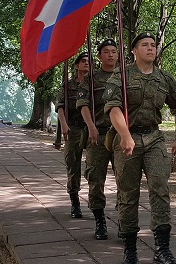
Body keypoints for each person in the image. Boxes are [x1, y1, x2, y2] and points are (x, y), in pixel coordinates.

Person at [103, 32, 176, 264]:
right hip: (126, 141)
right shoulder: (121, 75)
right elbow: (113, 108)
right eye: (144, 45)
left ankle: (162, 249)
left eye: (153, 45)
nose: (150, 48)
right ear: (134, 50)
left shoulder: (164, 79)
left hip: (153, 139)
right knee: (128, 195)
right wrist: (125, 135)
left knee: (160, 189)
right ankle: (130, 249)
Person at [76, 39, 118, 240]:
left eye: (113, 51)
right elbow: (83, 104)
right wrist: (91, 127)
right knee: (95, 178)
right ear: (99, 56)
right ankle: (100, 221)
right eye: (106, 52)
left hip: (120, 136)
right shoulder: (91, 79)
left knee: (126, 179)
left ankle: (126, 219)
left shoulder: (125, 77)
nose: (110, 55)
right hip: (98, 135)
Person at [56, 51, 90, 219]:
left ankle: (95, 199)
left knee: (94, 167)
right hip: (74, 128)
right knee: (72, 164)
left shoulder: (94, 84)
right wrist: (63, 124)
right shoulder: (67, 85)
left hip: (91, 129)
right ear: (77, 65)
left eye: (89, 61)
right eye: (83, 61)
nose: (86, 64)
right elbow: (60, 106)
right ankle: (75, 201)